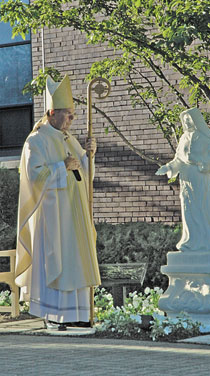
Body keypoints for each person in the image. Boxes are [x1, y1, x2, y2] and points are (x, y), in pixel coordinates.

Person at [15, 75, 101, 330]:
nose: (72, 120)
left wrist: (89, 157)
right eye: (68, 115)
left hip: (75, 216)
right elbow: (34, 176)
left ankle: (78, 315)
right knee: (58, 262)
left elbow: (85, 177)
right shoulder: (36, 140)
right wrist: (61, 167)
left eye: (74, 115)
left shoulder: (69, 139)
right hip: (52, 216)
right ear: (52, 112)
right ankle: (53, 314)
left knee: (76, 262)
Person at [156, 107, 210, 253]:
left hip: (200, 177)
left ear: (196, 120)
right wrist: (167, 167)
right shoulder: (184, 138)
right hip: (186, 179)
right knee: (189, 209)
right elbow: (179, 159)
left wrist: (200, 162)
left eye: (189, 119)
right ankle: (191, 241)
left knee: (204, 208)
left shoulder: (206, 137)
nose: (187, 122)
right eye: (185, 120)